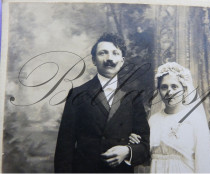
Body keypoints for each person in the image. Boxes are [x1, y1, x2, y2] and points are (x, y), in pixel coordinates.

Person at [54, 33, 150, 173]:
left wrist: (127, 151)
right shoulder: (77, 94)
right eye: (102, 53)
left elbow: (145, 144)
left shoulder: (133, 96)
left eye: (115, 53)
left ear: (122, 60)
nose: (109, 58)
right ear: (94, 60)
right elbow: (64, 148)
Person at [129, 62, 210, 173]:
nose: (169, 92)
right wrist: (136, 144)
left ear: (184, 90)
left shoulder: (195, 120)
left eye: (174, 86)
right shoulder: (153, 120)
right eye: (164, 87)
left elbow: (204, 162)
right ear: (159, 91)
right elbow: (145, 160)